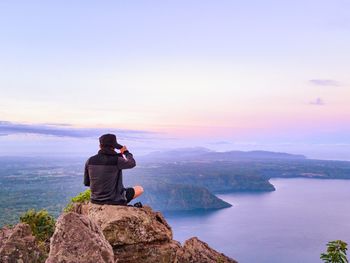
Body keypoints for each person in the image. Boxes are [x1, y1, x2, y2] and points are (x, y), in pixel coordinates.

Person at [84, 133, 144, 205]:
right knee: (139, 189)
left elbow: (87, 183)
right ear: (114, 147)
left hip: (95, 200)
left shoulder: (90, 160)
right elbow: (132, 163)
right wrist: (126, 152)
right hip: (114, 201)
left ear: (100, 146)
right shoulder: (117, 160)